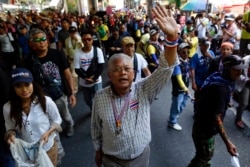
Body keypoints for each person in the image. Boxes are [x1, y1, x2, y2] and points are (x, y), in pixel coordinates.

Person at [91, 4, 179, 167]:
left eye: (127, 69)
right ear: (109, 75)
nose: (123, 73)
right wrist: (98, 150)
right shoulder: (100, 97)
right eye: (117, 70)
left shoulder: (144, 89)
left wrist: (172, 39)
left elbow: (164, 70)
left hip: (140, 158)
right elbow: (96, 129)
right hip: (111, 160)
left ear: (133, 73)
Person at [188, 55, 243, 166]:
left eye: (241, 69)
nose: (239, 72)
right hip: (204, 129)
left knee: (205, 155)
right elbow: (216, 117)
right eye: (236, 69)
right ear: (227, 69)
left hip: (201, 124)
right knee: (203, 157)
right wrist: (228, 143)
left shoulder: (218, 77)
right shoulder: (220, 89)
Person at [3, 68, 62, 167]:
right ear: (13, 88)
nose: (24, 90)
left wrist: (49, 132)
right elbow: (10, 127)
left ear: (33, 84)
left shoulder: (45, 101)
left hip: (48, 148)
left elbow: (57, 119)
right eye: (18, 86)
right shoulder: (7, 108)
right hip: (27, 152)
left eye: (27, 85)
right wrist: (11, 135)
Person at [74, 29, 105, 111]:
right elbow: (77, 69)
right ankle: (93, 110)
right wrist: (86, 78)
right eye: (84, 40)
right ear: (82, 41)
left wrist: (94, 78)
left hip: (97, 81)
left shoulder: (98, 50)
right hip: (84, 82)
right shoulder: (77, 53)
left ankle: (99, 112)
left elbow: (101, 66)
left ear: (92, 39)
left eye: (89, 39)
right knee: (88, 100)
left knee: (99, 99)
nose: (87, 42)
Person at [168, 43, 191, 131]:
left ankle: (173, 116)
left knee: (183, 104)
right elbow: (178, 78)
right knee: (177, 105)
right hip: (179, 89)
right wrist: (185, 88)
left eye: (187, 52)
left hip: (184, 89)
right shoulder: (177, 64)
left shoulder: (186, 62)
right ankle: (172, 122)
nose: (186, 54)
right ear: (179, 53)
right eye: (183, 52)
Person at [190, 38, 215, 113]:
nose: (206, 47)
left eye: (207, 45)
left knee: (207, 98)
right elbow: (192, 69)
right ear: (200, 45)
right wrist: (193, 83)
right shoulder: (196, 56)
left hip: (209, 81)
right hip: (199, 82)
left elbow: (216, 63)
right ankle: (196, 112)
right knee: (198, 98)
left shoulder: (211, 53)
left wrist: (210, 56)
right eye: (204, 45)